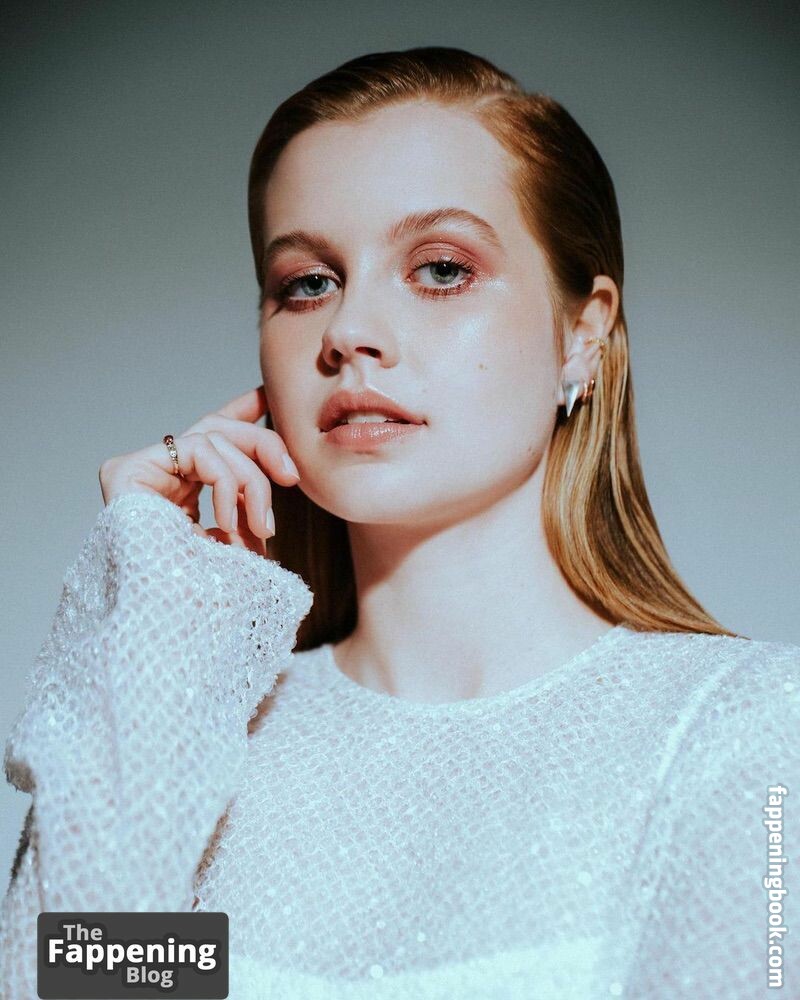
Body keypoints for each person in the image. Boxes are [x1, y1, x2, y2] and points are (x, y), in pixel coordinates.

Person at [1, 46, 797, 999]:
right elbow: (67, 987)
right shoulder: (198, 747)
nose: (348, 333)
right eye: (307, 283)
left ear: (583, 334)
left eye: (442, 269)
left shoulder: (744, 729)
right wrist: (152, 620)